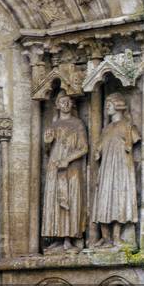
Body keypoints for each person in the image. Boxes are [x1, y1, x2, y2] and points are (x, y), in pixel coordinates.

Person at [92, 93, 140, 247]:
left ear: (118, 105)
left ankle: (116, 236)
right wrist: (97, 151)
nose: (107, 108)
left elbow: (135, 138)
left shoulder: (127, 126)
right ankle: (105, 238)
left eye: (109, 105)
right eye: (105, 105)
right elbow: (99, 147)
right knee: (104, 200)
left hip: (120, 167)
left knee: (118, 199)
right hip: (106, 168)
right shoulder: (106, 129)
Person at [41, 93, 88, 252]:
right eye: (62, 101)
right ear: (57, 105)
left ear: (72, 104)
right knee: (54, 201)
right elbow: (47, 151)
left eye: (68, 101)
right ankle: (57, 237)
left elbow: (84, 148)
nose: (65, 104)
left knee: (70, 201)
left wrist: (68, 159)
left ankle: (69, 239)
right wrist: (47, 143)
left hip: (71, 168)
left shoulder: (78, 123)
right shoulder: (53, 125)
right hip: (54, 167)